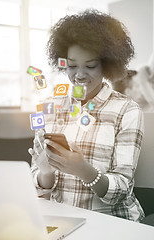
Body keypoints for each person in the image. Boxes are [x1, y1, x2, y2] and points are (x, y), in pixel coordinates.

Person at [29, 9, 145, 222]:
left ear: (107, 64)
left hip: (112, 222)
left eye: (90, 66)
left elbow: (122, 189)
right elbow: (38, 188)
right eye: (72, 66)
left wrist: (84, 171)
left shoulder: (127, 110)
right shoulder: (49, 106)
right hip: (62, 221)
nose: (79, 75)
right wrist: (45, 172)